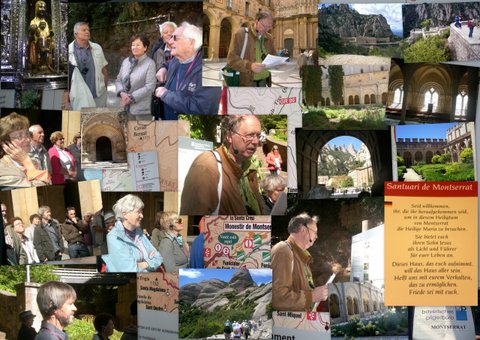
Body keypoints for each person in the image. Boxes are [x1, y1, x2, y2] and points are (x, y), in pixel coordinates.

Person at [180, 115, 264, 215]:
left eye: (258, 136)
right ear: (229, 136)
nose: (255, 142)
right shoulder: (207, 165)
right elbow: (195, 217)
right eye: (249, 135)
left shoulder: (249, 168)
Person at [154, 22, 221, 120]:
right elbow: (168, 64)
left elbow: (201, 109)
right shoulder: (177, 59)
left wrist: (165, 94)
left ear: (191, 42)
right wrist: (163, 68)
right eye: (171, 37)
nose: (170, 41)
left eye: (175, 38)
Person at [271, 213, 329, 311]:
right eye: (314, 232)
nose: (316, 236)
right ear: (303, 230)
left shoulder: (301, 255)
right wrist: (312, 296)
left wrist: (316, 294)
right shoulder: (283, 250)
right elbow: (278, 299)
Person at [102, 194, 163, 272]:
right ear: (125, 214)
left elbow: (158, 257)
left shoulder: (139, 233)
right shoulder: (114, 237)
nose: (142, 216)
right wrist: (150, 262)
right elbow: (130, 270)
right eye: (138, 212)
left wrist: (144, 264)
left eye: (142, 212)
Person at [0, 113, 50, 188]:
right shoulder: (3, 170)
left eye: (27, 133)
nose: (28, 139)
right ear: (5, 142)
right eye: (19, 136)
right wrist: (27, 162)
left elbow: (48, 181)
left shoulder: (33, 162)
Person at [226, 11, 275, 87]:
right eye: (264, 26)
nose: (267, 29)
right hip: (246, 83)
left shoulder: (269, 38)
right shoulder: (240, 34)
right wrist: (250, 66)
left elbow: (273, 56)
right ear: (256, 21)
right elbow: (231, 60)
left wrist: (280, 62)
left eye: (269, 27)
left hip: (264, 82)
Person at [115, 34, 156, 121]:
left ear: (145, 48)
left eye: (138, 45)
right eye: (133, 45)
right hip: (125, 107)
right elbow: (118, 80)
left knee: (142, 133)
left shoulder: (150, 63)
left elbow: (150, 86)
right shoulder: (126, 61)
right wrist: (122, 93)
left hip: (141, 110)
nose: (134, 47)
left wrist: (131, 97)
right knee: (127, 132)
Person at [69, 22, 109, 110]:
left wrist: (104, 88)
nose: (87, 32)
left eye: (88, 30)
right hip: (79, 97)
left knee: (99, 120)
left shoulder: (97, 48)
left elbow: (104, 69)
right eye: (84, 30)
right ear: (76, 33)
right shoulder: (68, 50)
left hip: (98, 95)